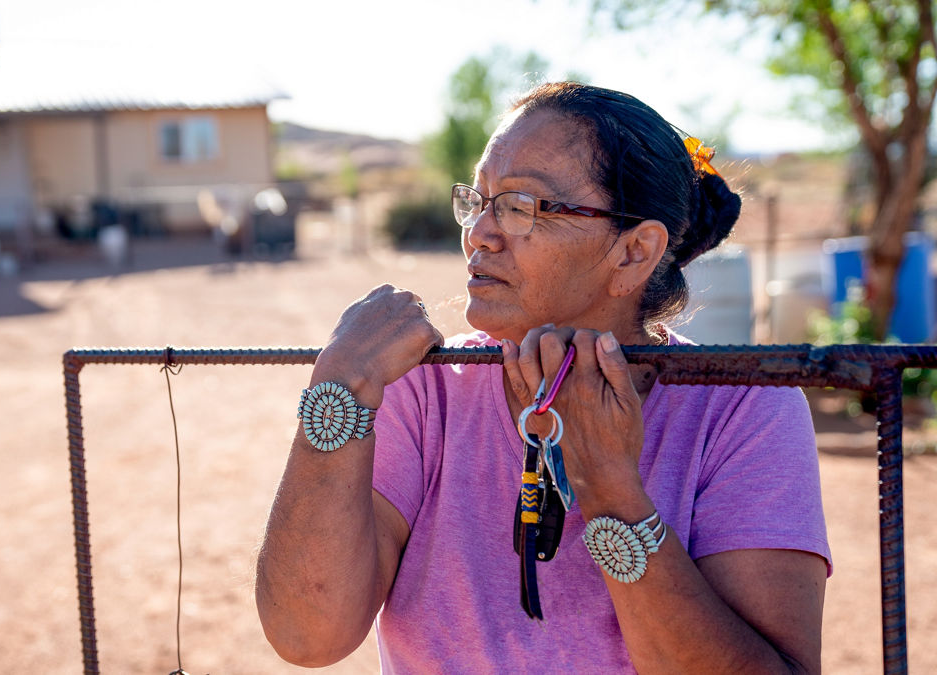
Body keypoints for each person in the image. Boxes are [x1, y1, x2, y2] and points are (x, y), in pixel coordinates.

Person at [255, 82, 830, 672]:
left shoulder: (741, 408)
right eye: (477, 201)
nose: (479, 232)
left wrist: (608, 488)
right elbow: (308, 635)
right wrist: (336, 394)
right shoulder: (426, 388)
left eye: (521, 206)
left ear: (634, 252)